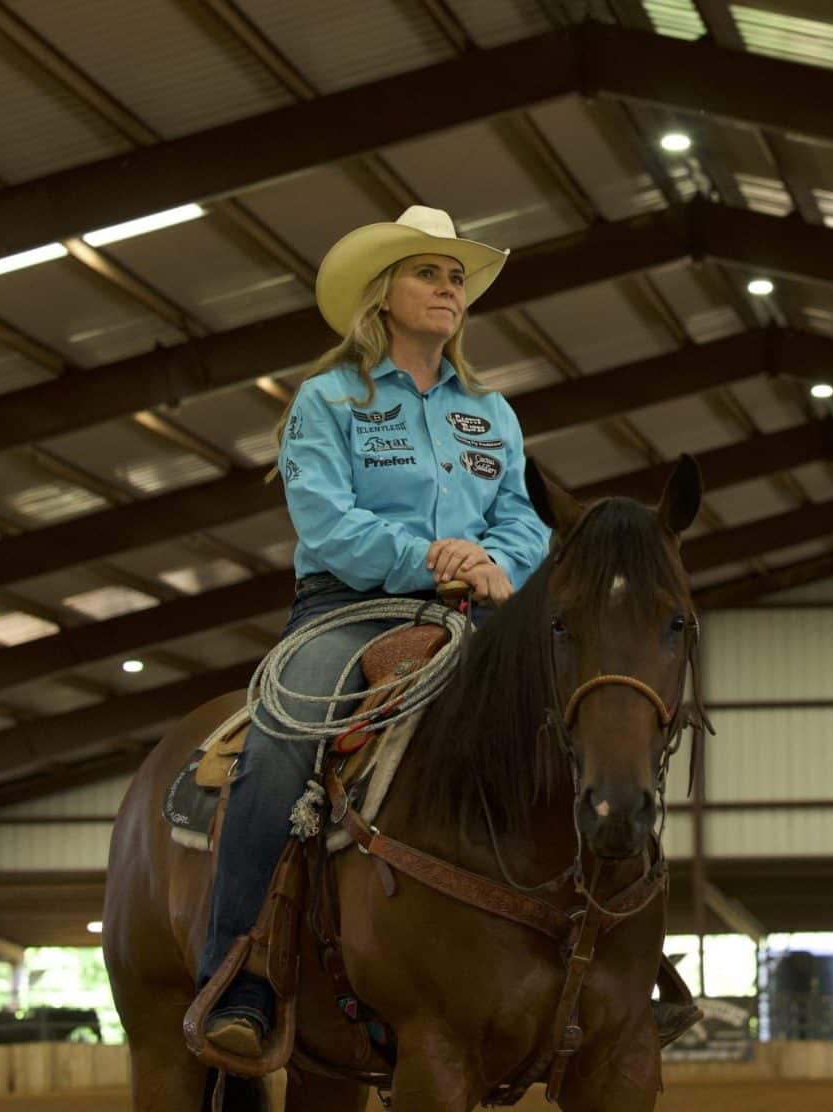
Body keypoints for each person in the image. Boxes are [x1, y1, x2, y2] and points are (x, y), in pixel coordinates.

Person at [198, 205, 549, 1056]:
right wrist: (438, 558)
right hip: (349, 610)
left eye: (456, 276)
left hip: (474, 616)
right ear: (382, 294)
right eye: (428, 272)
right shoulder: (329, 400)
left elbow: (525, 519)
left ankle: (618, 962)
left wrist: (497, 566)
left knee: (585, 724)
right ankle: (237, 975)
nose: (448, 288)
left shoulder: (490, 412)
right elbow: (326, 523)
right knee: (283, 740)